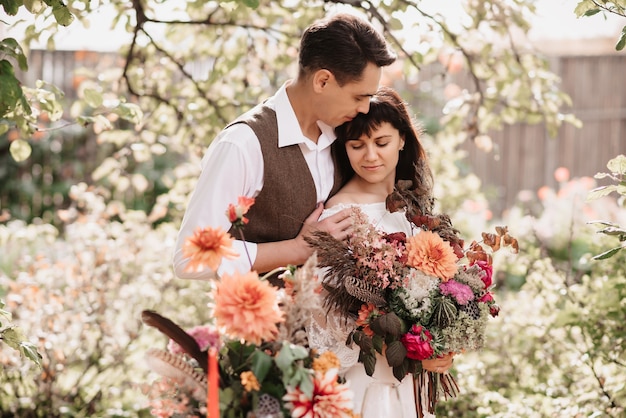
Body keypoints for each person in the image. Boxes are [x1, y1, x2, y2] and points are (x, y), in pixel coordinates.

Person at [173, 13, 397, 279]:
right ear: (322, 81)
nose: (364, 108)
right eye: (359, 97)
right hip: (264, 317)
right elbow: (191, 257)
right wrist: (295, 250)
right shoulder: (243, 144)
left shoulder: (344, 134)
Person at [306, 87, 454, 417]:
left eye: (381, 143)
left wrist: (442, 344)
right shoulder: (340, 216)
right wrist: (404, 349)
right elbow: (327, 314)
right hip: (368, 380)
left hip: (414, 382)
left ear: (402, 139)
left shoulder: (415, 208)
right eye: (357, 146)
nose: (370, 156)